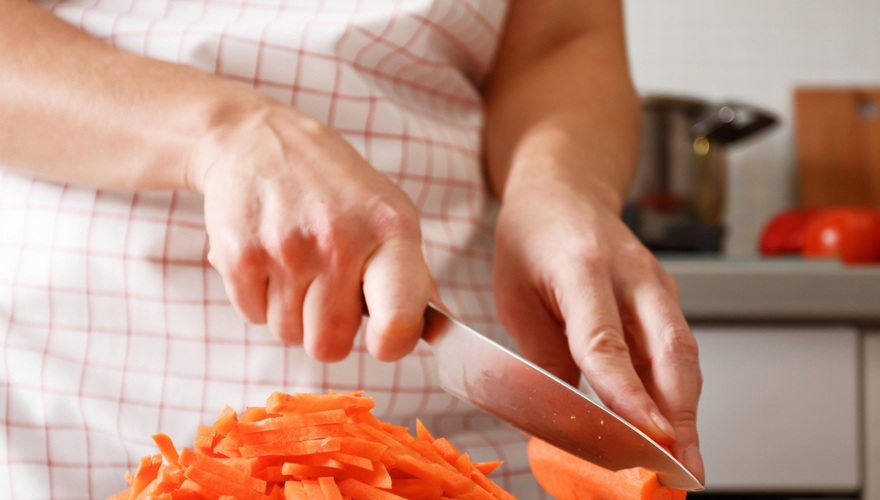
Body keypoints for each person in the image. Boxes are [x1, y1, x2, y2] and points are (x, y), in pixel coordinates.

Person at [0, 0, 704, 497]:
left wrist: (556, 185)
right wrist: (223, 131)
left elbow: (562, 41)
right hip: (82, 414)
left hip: (440, 441)